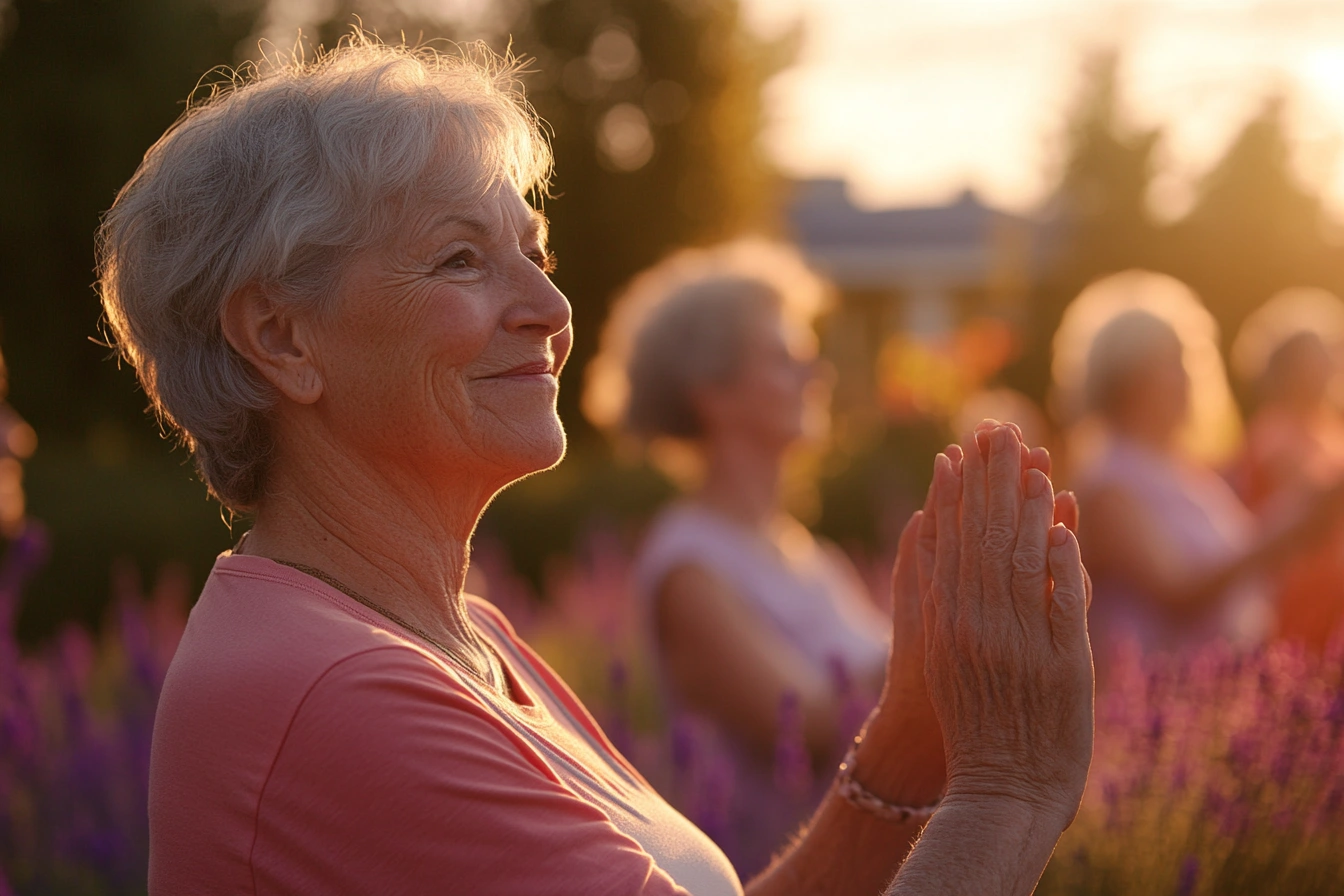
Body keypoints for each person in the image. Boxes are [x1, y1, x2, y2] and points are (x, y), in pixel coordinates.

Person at [99, 33, 1093, 895]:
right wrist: (1009, 788)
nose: (551, 308)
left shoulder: (455, 636)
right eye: (461, 259)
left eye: (537, 254)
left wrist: (908, 742)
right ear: (281, 338)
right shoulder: (333, 688)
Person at [584, 241, 889, 767]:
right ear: (711, 392)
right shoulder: (690, 568)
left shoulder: (807, 553)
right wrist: (947, 629)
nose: (815, 375)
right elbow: (809, 722)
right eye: (784, 358)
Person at [1053, 271, 1338, 660]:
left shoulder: (1183, 472)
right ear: (1129, 377)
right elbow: (1178, 591)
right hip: (1148, 703)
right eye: (1172, 362)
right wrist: (1282, 529)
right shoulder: (1109, 484)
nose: (1188, 377)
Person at [1230, 289, 1344, 651]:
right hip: (1294, 590)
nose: (1325, 368)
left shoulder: (1328, 428)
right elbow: (1312, 501)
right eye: (1312, 359)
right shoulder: (1274, 431)